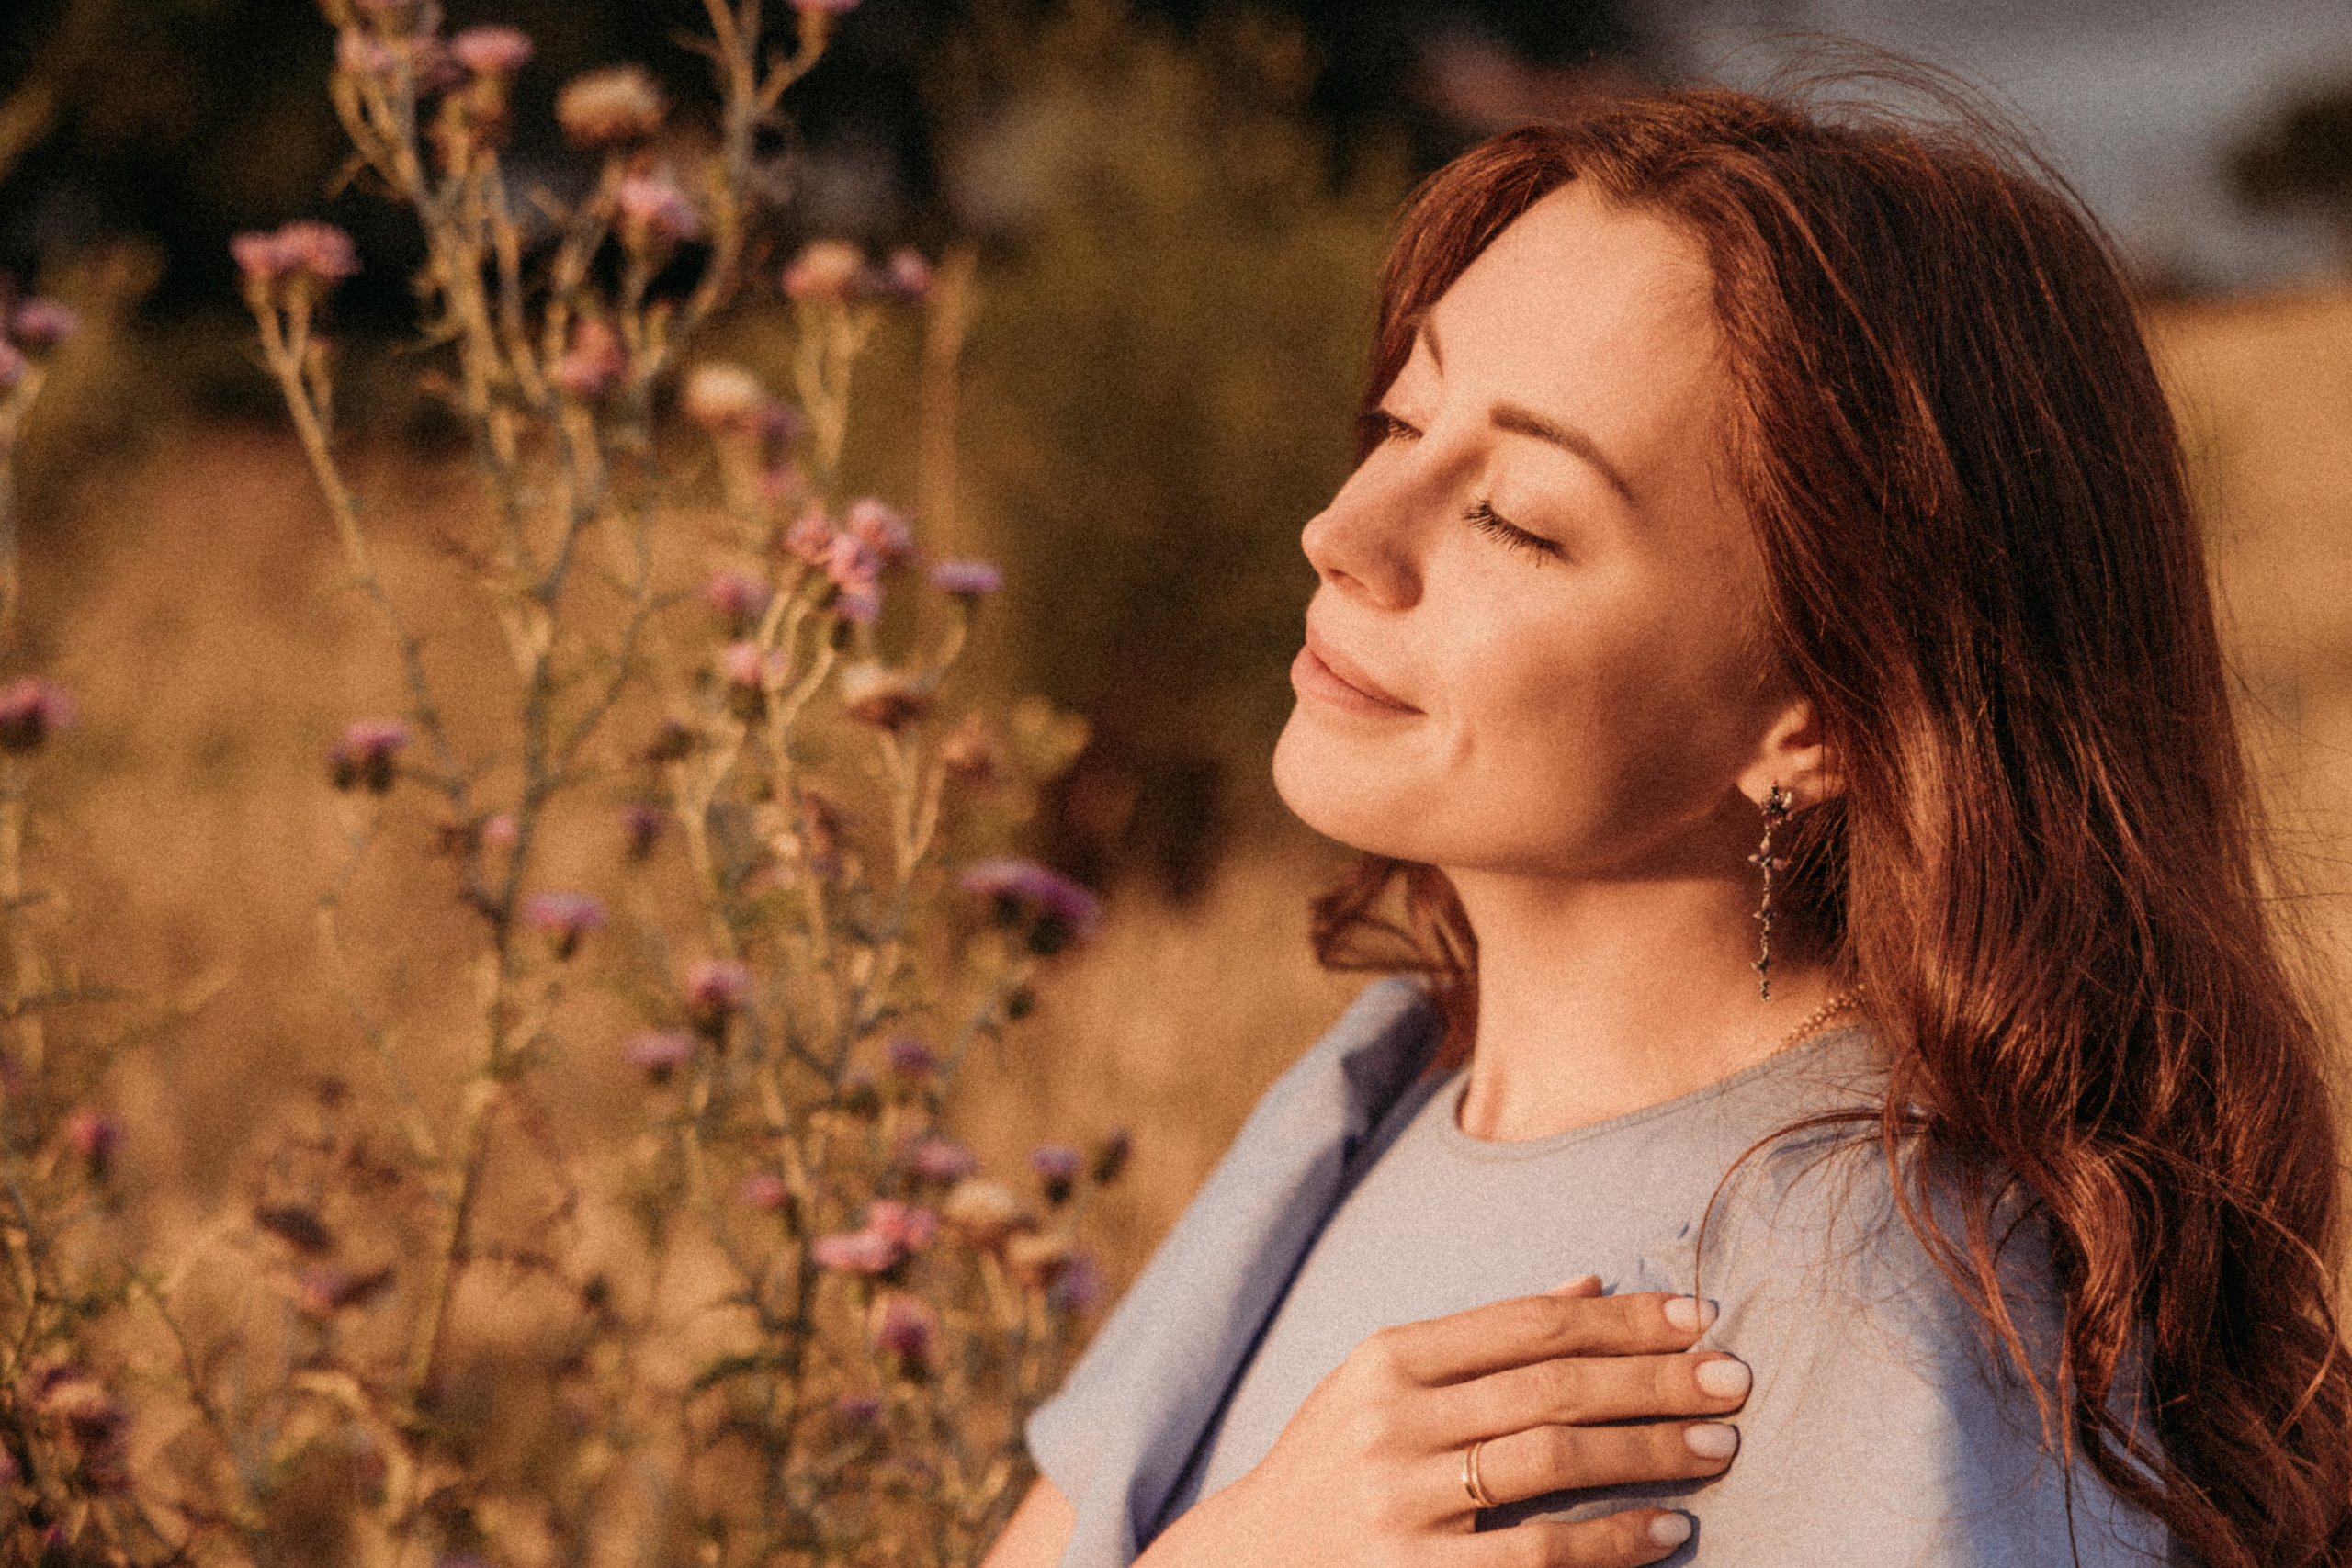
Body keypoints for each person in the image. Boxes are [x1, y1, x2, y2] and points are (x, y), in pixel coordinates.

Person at [984, 81, 2352, 1568]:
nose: (1346, 533)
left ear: (1819, 715)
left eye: (1515, 512)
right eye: (1401, 416)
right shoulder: (1368, 1087)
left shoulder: (1871, 1297)